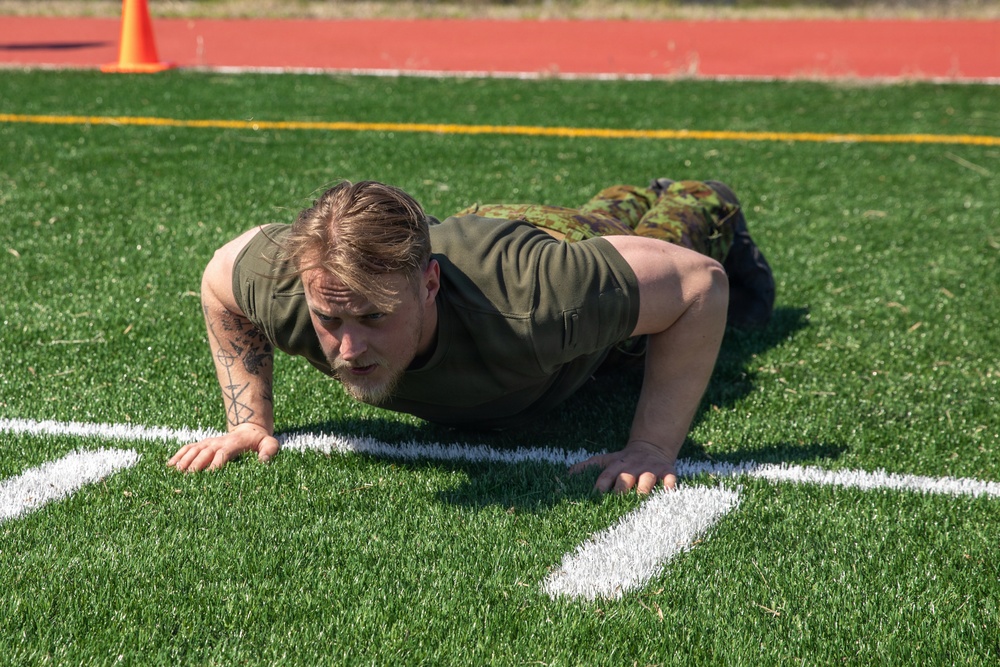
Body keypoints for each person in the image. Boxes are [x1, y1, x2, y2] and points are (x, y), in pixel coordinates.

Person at [167, 178, 774, 494]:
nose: (347, 350)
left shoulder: (537, 297)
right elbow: (221, 276)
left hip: (553, 249)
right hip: (482, 236)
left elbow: (700, 286)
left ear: (429, 284)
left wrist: (651, 448)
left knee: (667, 230)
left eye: (374, 317)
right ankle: (633, 191)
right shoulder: (295, 287)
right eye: (332, 321)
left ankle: (697, 193)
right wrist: (249, 420)